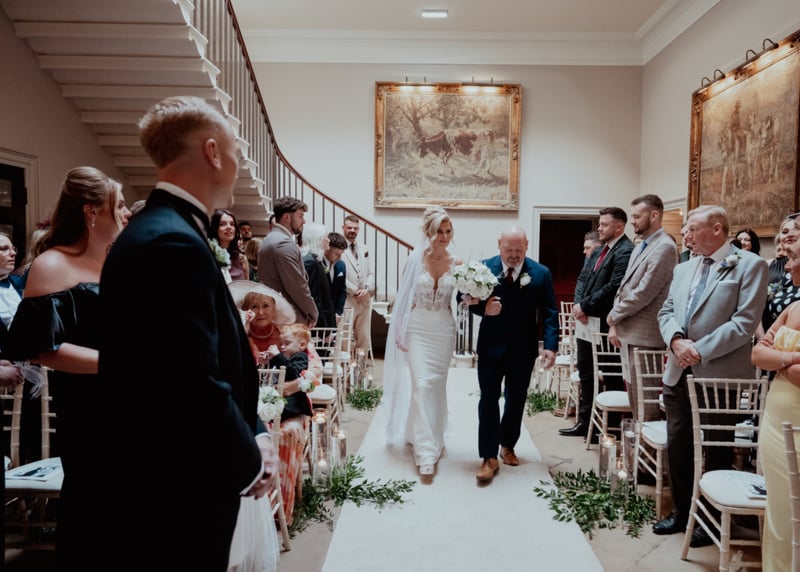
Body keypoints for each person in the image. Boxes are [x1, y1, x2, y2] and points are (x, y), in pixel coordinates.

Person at [94, 96, 278, 571]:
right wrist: (247, 457)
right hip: (177, 477)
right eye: (236, 152)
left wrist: (256, 429)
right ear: (212, 152)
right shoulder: (171, 240)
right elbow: (190, 377)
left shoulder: (170, 228)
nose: (238, 165)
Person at [5, 165, 131, 567]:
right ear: (92, 211)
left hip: (135, 398)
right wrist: (119, 364)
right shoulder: (53, 265)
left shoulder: (119, 262)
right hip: (90, 405)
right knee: (95, 505)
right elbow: (40, 349)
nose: (127, 213)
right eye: (120, 205)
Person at [654, 204, 767, 547]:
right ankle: (682, 512)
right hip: (678, 369)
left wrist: (698, 349)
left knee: (716, 448)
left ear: (717, 229)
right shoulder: (683, 267)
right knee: (679, 443)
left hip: (719, 373)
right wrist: (676, 341)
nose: (685, 234)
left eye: (692, 228)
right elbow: (666, 311)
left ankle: (711, 520)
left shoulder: (750, 265)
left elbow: (744, 322)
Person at [462, 226, 558, 484]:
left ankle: (508, 445)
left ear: (527, 245)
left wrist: (550, 346)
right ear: (499, 245)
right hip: (490, 347)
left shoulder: (541, 273)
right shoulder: (483, 269)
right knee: (488, 399)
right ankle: (488, 456)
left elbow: (550, 312)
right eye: (508, 249)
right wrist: (483, 309)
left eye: (518, 249)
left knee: (516, 400)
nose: (514, 255)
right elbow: (464, 298)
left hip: (523, 349)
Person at [383, 206, 460, 482]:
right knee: (422, 384)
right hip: (418, 328)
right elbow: (403, 299)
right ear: (428, 232)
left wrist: (473, 297)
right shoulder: (414, 261)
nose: (444, 236)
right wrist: (399, 330)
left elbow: (464, 298)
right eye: (439, 231)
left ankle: (428, 435)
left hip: (444, 329)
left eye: (448, 231)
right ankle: (426, 452)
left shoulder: (457, 263)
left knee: (435, 386)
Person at [752, 216, 800, 572]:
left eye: (793, 256)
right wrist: (791, 359)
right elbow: (758, 354)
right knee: (780, 510)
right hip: (776, 420)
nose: (787, 263)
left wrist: (778, 360)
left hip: (796, 421)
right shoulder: (793, 306)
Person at [560, 207, 633, 439]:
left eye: (604, 224)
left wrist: (586, 306)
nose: (600, 228)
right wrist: (578, 304)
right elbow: (583, 278)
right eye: (600, 224)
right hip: (586, 322)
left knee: (610, 375)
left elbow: (614, 286)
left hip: (605, 323)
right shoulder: (599, 250)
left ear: (619, 227)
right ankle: (584, 422)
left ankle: (607, 429)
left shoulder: (626, 251)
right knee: (586, 372)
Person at [607, 194, 678, 422]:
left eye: (637, 216)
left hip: (647, 336)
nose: (633, 221)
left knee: (646, 403)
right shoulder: (641, 246)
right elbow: (624, 285)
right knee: (634, 400)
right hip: (629, 332)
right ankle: (637, 441)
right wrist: (617, 320)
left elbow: (645, 292)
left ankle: (646, 444)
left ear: (654, 215)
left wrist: (614, 315)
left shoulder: (665, 247)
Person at [259, 196, 318, 327]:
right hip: (288, 316)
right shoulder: (283, 243)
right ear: (287, 217)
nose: (304, 221)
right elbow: (297, 285)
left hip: (277, 313)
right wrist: (312, 312)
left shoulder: (270, 238)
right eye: (300, 216)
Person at [264, 322, 315, 423]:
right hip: (279, 396)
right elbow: (271, 371)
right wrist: (266, 361)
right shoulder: (284, 357)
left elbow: (293, 373)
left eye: (287, 343)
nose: (282, 347)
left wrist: (278, 356)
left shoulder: (301, 356)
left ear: (302, 345)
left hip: (293, 403)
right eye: (281, 344)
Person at [342, 214, 374, 355]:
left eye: (355, 228)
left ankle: (360, 366)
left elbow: (371, 272)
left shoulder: (363, 247)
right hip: (348, 299)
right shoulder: (339, 247)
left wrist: (366, 289)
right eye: (349, 227)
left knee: (364, 336)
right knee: (345, 335)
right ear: (343, 228)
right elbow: (339, 275)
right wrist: (354, 290)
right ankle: (346, 365)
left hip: (364, 299)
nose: (352, 231)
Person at [302, 222, 336, 329]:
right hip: (319, 326)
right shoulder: (311, 262)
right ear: (319, 239)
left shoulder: (316, 260)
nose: (328, 240)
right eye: (326, 237)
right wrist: (324, 329)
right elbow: (315, 297)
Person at [211, 208, 248, 281]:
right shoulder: (210, 255)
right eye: (222, 224)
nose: (229, 227)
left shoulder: (241, 258)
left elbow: (247, 285)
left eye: (232, 224)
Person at [326, 232, 348, 320]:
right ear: (328, 248)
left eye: (341, 254)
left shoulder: (341, 265)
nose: (339, 257)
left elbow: (342, 290)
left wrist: (338, 312)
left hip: (335, 313)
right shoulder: (318, 265)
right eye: (336, 254)